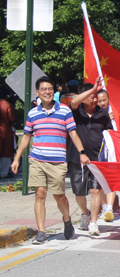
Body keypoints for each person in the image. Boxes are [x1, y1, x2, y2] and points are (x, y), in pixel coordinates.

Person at [10, 76, 90, 245]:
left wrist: (82, 153)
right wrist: (17, 158)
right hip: (37, 158)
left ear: (54, 92)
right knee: (40, 194)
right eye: (43, 89)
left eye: (50, 89)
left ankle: (67, 219)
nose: (47, 92)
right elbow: (26, 137)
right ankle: (41, 231)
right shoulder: (32, 114)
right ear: (37, 93)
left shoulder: (64, 111)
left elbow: (73, 133)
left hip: (58, 161)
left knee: (59, 195)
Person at [68, 79, 113, 236]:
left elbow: (110, 135)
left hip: (96, 160)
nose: (95, 100)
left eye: (96, 97)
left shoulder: (103, 113)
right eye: (92, 97)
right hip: (77, 158)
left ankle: (93, 222)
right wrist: (93, 88)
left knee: (95, 190)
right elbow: (74, 101)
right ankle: (85, 213)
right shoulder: (76, 111)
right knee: (79, 192)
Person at [96, 89, 118, 219]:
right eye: (99, 101)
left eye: (104, 100)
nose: (102, 103)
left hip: (113, 151)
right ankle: (104, 207)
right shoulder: (94, 115)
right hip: (99, 151)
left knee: (112, 178)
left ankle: (109, 208)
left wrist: (112, 121)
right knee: (100, 179)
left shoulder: (115, 113)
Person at [0, 88, 15, 178]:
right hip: (6, 131)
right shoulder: (6, 104)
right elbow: (11, 119)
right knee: (6, 152)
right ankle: (4, 173)